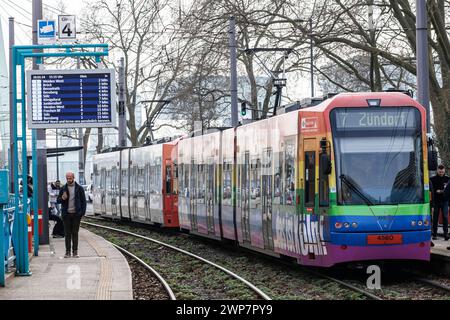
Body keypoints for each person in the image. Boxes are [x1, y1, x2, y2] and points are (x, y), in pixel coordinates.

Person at [57, 172, 87, 258]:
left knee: (75, 233)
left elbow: (83, 202)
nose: (69, 180)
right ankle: (67, 252)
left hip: (76, 215)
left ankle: (75, 251)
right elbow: (58, 200)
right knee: (67, 234)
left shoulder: (79, 188)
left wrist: (82, 213)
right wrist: (62, 198)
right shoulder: (63, 188)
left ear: (73, 177)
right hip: (66, 214)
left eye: (70, 178)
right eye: (67, 178)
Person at [430, 164, 449, 240]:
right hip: (436, 202)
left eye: (442, 172)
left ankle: (445, 234)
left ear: (444, 171)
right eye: (440, 172)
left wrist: (441, 191)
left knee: (445, 217)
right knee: (435, 218)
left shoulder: (448, 179)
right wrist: (432, 204)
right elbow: (431, 191)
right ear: (437, 171)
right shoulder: (432, 179)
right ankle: (434, 234)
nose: (441, 173)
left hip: (445, 201)